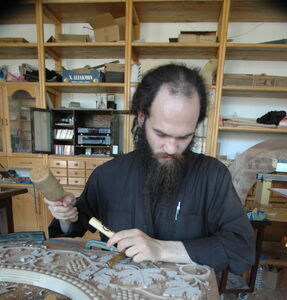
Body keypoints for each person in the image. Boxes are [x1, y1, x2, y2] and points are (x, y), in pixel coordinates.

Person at [47, 63, 255, 274]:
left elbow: (240, 249)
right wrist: (65, 215)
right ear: (141, 117)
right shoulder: (107, 175)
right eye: (161, 134)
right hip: (120, 290)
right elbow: (72, 228)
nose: (172, 148)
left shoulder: (212, 176)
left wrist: (161, 249)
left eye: (184, 136)